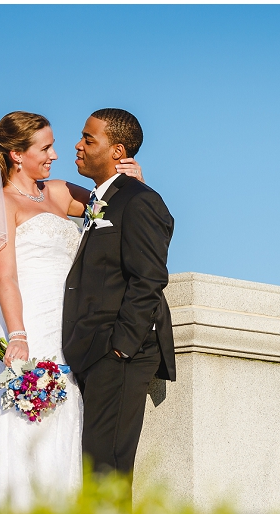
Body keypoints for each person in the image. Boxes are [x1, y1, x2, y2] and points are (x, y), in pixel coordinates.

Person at [0, 111, 145, 513]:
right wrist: (17, 336)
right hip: (29, 323)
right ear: (17, 155)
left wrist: (132, 180)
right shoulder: (0, 204)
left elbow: (114, 203)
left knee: (65, 416)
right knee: (18, 420)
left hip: (68, 326)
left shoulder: (56, 192)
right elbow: (8, 279)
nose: (56, 154)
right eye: (45, 147)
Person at [62, 109, 176, 481]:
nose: (78, 145)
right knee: (91, 467)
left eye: (89, 139)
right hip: (90, 350)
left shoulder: (140, 199)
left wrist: (120, 347)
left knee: (106, 469)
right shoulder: (103, 200)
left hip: (119, 356)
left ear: (117, 151)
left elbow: (149, 278)